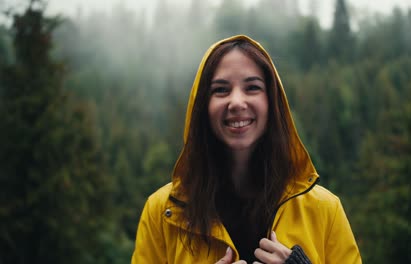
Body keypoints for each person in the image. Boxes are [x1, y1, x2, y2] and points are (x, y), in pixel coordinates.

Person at [132, 35, 361, 263]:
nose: (237, 102)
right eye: (221, 90)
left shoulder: (324, 210)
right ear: (203, 106)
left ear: (272, 102)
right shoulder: (162, 213)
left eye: (252, 87)